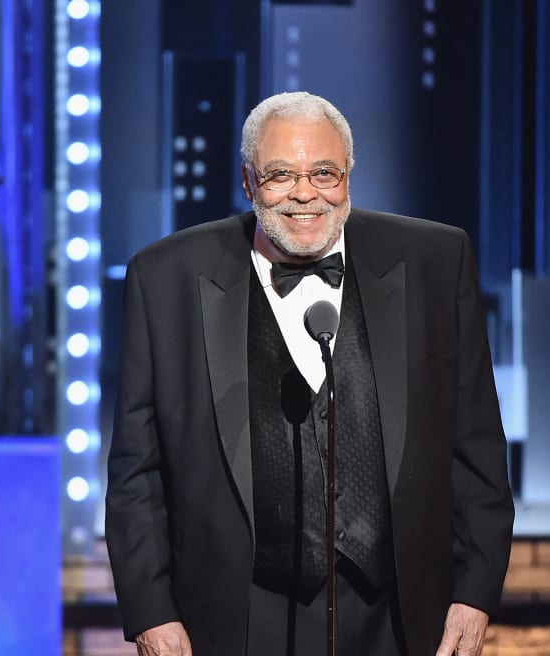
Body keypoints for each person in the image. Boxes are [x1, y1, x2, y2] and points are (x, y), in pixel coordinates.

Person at [106, 91, 514, 656]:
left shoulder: (437, 262)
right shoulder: (165, 277)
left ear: (349, 176)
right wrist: (152, 613)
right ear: (248, 182)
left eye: (325, 173)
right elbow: (136, 472)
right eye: (281, 175)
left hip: (397, 615)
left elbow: (478, 449)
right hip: (236, 618)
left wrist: (475, 594)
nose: (305, 193)